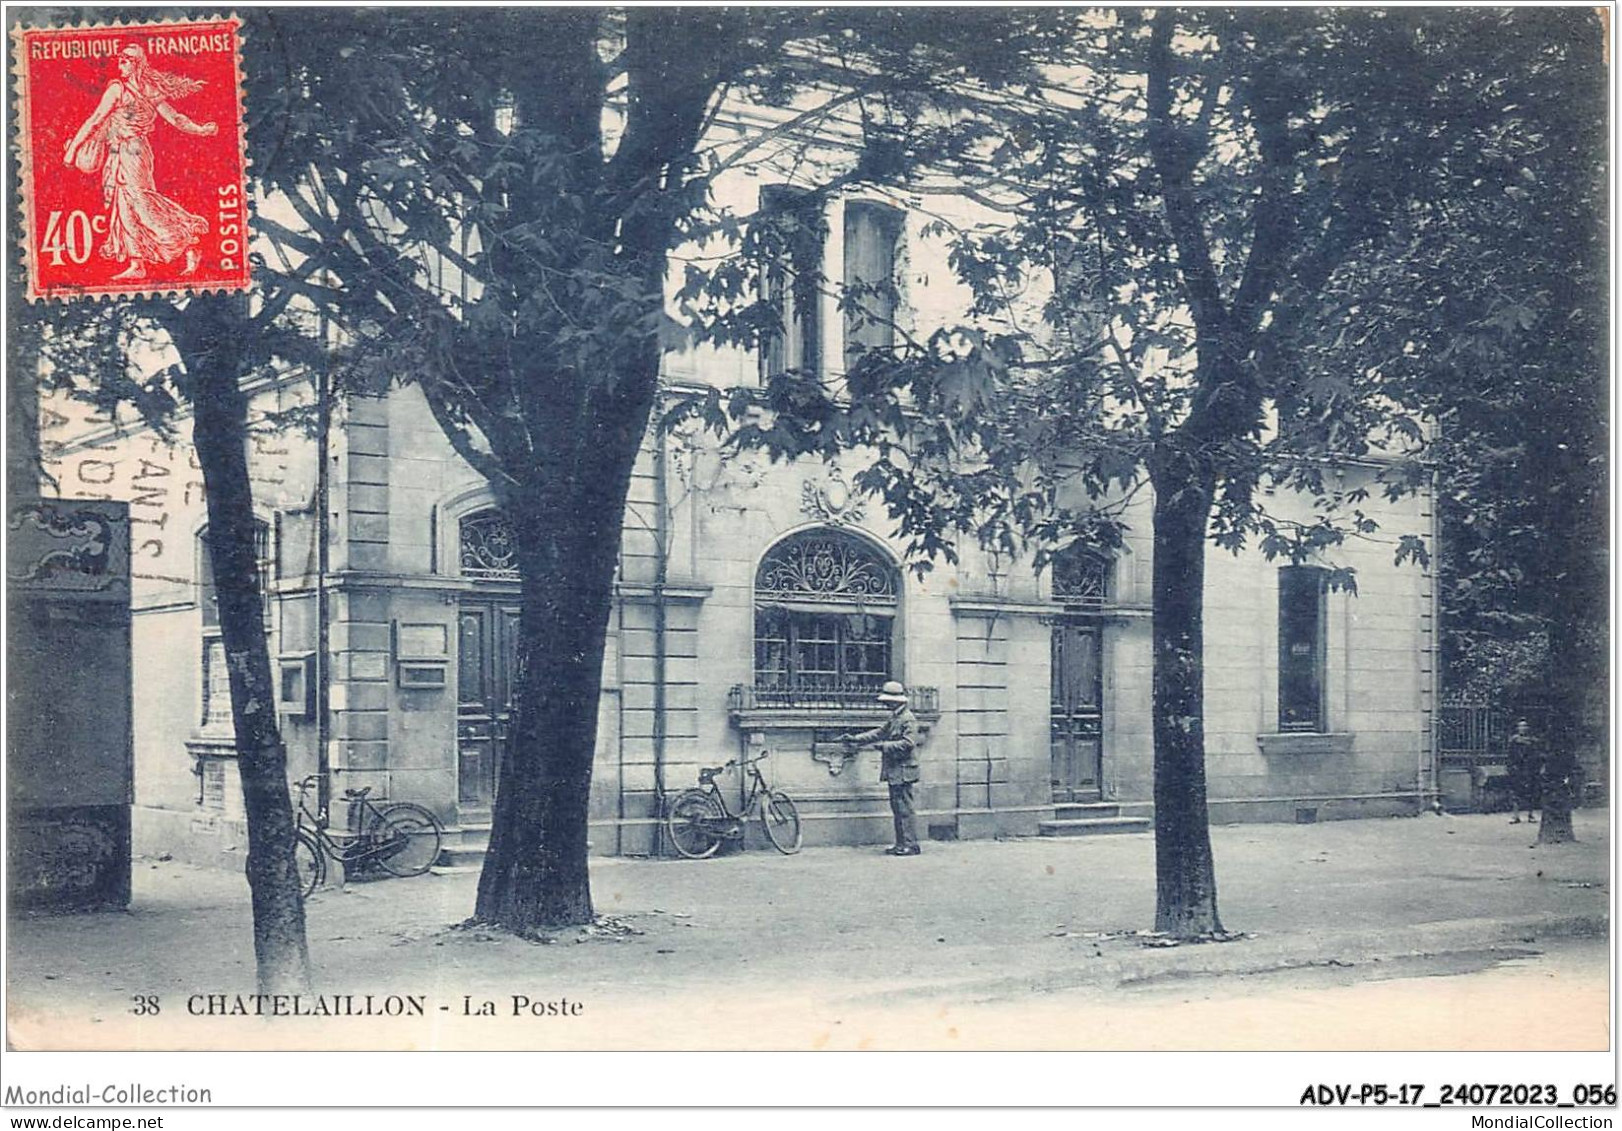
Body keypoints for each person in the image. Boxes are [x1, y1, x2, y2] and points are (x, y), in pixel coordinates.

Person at [62, 44, 216, 281]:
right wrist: (201, 130)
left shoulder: (127, 90)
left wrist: (72, 150)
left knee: (141, 203)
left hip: (134, 152)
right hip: (121, 151)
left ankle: (188, 243)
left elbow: (173, 118)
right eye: (119, 61)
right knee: (123, 206)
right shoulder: (128, 88)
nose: (119, 66)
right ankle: (137, 263)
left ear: (136, 64)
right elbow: (97, 121)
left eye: (124, 62)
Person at [840, 681, 921, 856]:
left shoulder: (908, 718)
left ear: (896, 701)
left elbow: (908, 743)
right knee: (897, 808)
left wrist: (884, 746)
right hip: (896, 769)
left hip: (903, 770)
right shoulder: (895, 717)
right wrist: (856, 739)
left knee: (904, 808)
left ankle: (911, 844)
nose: (885, 704)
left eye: (887, 701)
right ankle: (901, 844)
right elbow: (878, 732)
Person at [1506, 718, 1543, 825]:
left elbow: (1537, 756)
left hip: (1530, 769)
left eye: (1524, 726)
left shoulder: (1533, 741)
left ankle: (1530, 815)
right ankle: (1515, 815)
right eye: (1520, 726)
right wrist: (1511, 767)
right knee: (1516, 793)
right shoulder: (1514, 740)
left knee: (1531, 792)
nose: (1522, 728)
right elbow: (1510, 755)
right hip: (1518, 769)